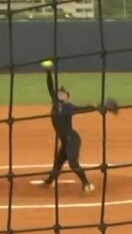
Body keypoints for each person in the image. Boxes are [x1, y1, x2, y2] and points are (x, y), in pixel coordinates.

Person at [37, 64, 119, 193]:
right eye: (59, 93)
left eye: (63, 93)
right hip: (65, 141)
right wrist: (48, 72)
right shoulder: (55, 103)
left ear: (67, 96)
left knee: (73, 163)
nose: (60, 94)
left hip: (72, 139)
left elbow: (84, 108)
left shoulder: (69, 106)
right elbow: (49, 86)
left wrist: (98, 106)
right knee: (57, 163)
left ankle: (87, 184)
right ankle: (49, 181)